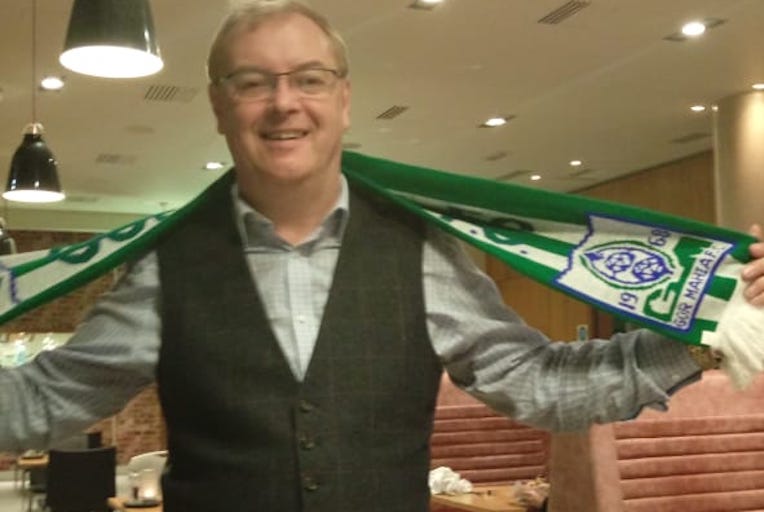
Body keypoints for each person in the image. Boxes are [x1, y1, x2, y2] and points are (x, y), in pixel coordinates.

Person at [1, 1, 764, 511]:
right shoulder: (166, 265)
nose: (283, 102)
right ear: (217, 103)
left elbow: (540, 386)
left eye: (308, 79)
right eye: (252, 83)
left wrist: (700, 332)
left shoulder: (422, 248)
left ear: (343, 99)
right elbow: (46, 398)